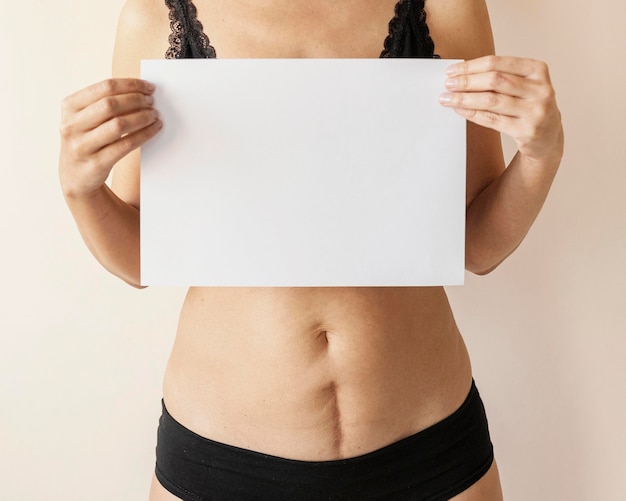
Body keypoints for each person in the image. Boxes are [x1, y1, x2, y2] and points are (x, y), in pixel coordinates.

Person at [58, 0, 563, 499]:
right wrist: (81, 190)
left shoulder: (446, 8)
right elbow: (143, 258)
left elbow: (475, 247)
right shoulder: (154, 16)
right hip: (223, 454)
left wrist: (541, 155)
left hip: (429, 447)